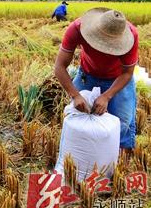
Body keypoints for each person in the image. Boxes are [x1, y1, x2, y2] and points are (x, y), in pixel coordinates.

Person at [54, 8, 138, 151]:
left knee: (123, 123)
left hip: (118, 78)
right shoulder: (77, 28)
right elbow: (59, 66)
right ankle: (81, 155)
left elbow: (127, 73)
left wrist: (107, 96)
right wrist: (75, 95)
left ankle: (121, 161)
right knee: (77, 116)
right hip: (88, 75)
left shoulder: (131, 35)